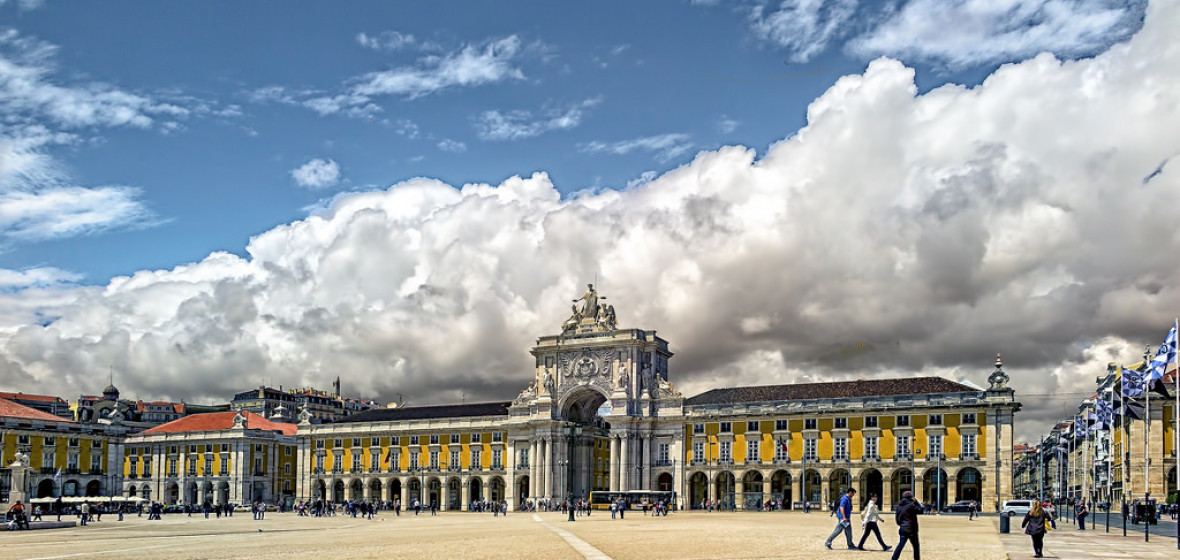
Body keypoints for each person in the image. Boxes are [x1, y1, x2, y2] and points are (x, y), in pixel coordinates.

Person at [891, 490, 921, 560]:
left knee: (900, 545)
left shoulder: (898, 507)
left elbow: (897, 520)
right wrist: (917, 503)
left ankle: (893, 559)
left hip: (903, 528)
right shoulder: (911, 505)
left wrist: (902, 524)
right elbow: (921, 510)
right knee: (916, 546)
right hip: (911, 529)